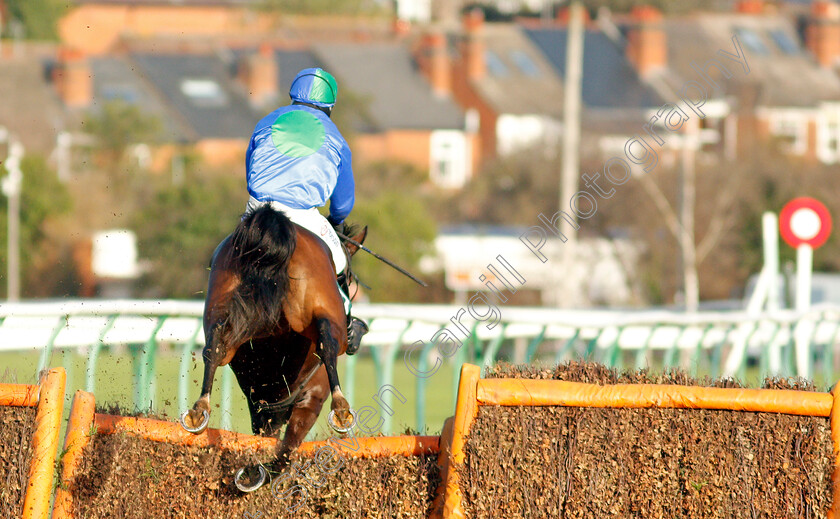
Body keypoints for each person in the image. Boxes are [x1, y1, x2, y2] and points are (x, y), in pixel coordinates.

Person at [244, 67, 368, 354]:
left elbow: (250, 168)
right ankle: (347, 325)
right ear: (329, 107)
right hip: (302, 214)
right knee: (338, 262)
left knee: (228, 256)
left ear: (292, 97)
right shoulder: (335, 137)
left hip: (257, 209)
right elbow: (343, 202)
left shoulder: (266, 122)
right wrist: (336, 222)